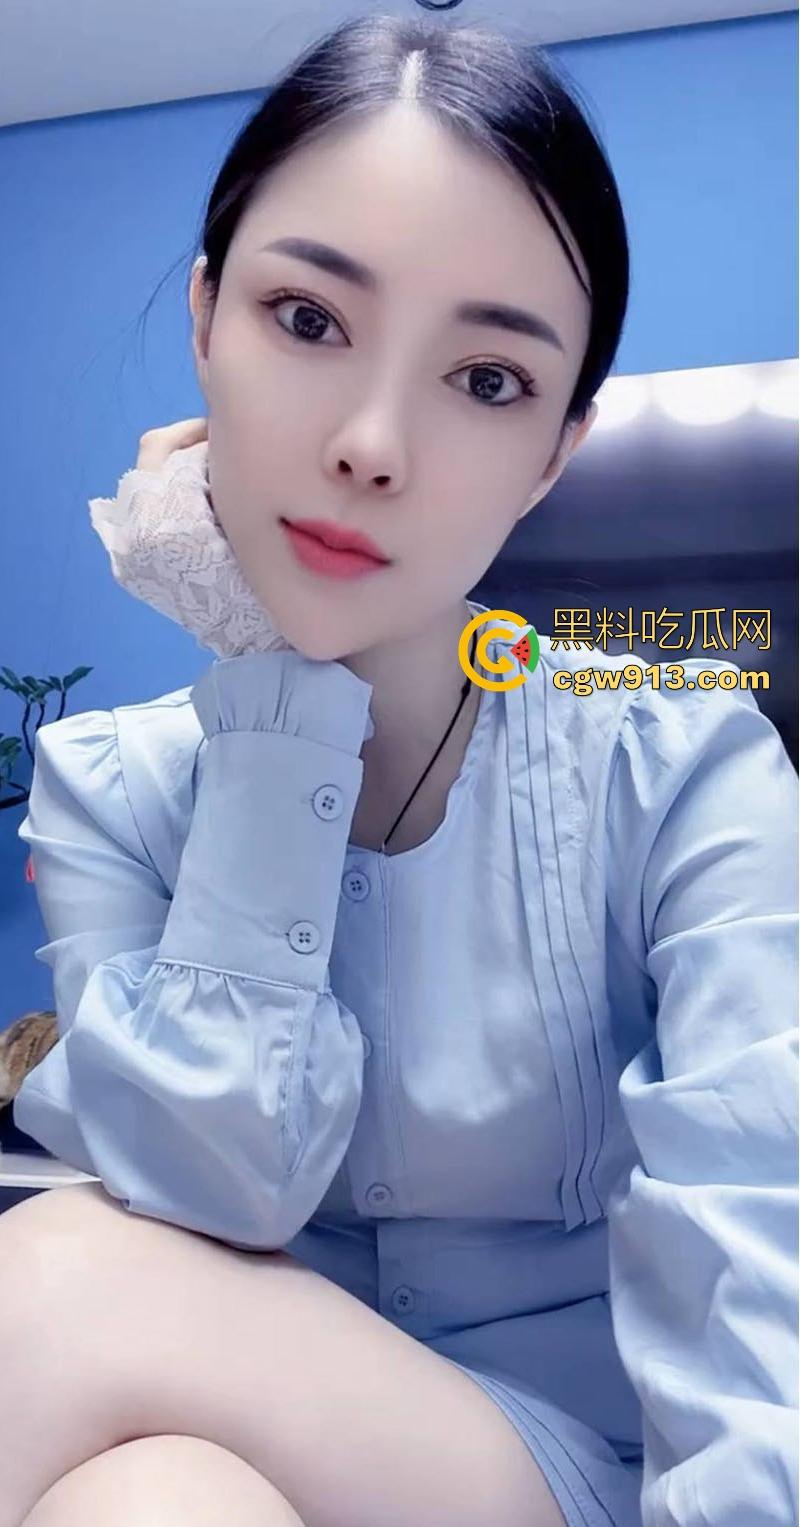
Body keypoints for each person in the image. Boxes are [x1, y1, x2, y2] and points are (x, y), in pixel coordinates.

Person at [2, 13, 797, 1527]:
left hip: (589, 1485)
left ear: (556, 452)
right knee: (152, 1500)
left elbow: (763, 1276)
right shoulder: (109, 787)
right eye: (308, 319)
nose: (372, 444)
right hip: (236, 1457)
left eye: (487, 380)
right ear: (205, 323)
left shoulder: (687, 774)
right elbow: (217, 1192)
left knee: (57, 1277)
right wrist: (272, 684)